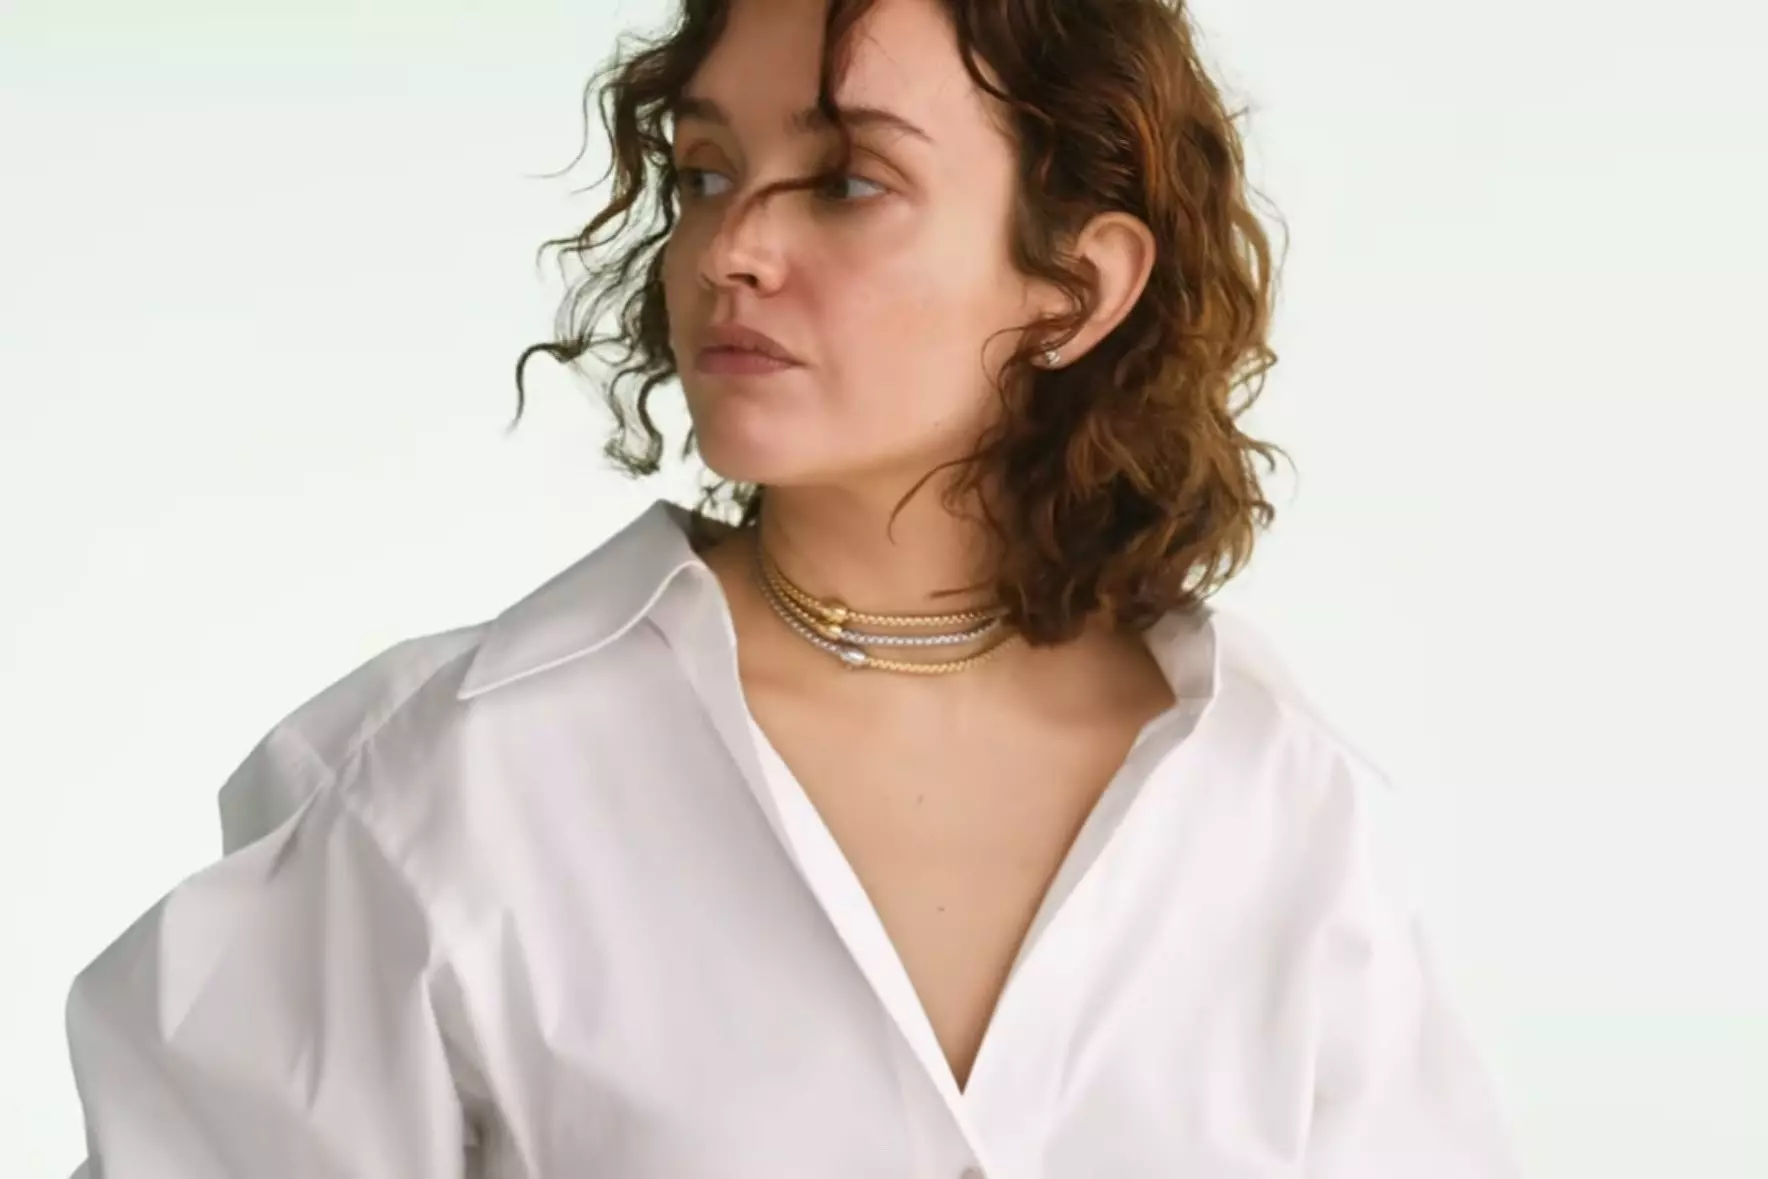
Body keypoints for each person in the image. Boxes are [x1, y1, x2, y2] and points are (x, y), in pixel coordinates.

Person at [64, 0, 1525, 1175]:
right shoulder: (449, 783)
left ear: (1076, 289)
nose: (733, 249)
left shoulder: (1276, 807)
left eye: (846, 181)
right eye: (706, 174)